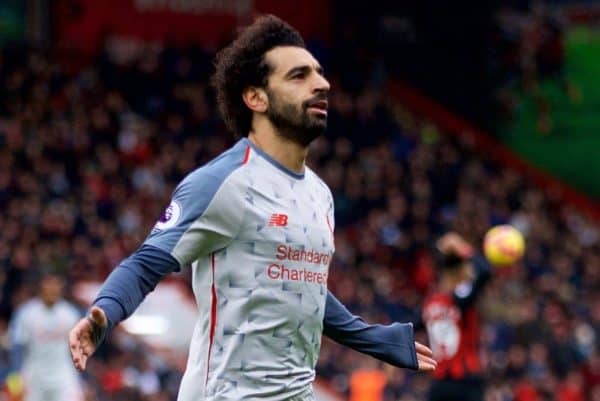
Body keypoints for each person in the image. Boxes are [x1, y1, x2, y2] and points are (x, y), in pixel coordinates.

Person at [68, 14, 437, 401]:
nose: (321, 84)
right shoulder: (223, 183)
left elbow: (302, 289)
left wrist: (376, 339)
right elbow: (146, 263)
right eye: (298, 76)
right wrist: (105, 313)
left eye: (319, 73)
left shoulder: (320, 195)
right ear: (255, 97)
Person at [421, 232, 492, 401]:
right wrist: (462, 249)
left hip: (458, 379)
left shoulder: (453, 299)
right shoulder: (443, 300)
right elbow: (484, 272)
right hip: (453, 380)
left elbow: (484, 272)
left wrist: (461, 248)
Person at [9, 272, 84, 401]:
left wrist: (83, 378)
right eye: (49, 284)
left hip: (63, 374)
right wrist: (16, 376)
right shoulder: (26, 313)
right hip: (34, 374)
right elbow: (17, 347)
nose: (52, 288)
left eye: (56, 284)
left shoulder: (70, 314)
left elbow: (80, 349)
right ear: (41, 286)